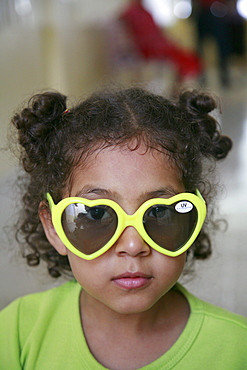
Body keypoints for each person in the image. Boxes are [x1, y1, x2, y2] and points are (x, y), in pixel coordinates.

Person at [0, 87, 246, 369]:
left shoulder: (237, 349)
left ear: (193, 219)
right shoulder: (17, 333)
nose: (133, 246)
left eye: (159, 212)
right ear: (54, 228)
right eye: (96, 215)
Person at [119, 0, 202, 83]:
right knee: (182, 60)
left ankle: (179, 87)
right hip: (150, 48)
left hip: (159, 44)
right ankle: (178, 88)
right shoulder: (129, 13)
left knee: (186, 58)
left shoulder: (145, 12)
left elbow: (156, 31)